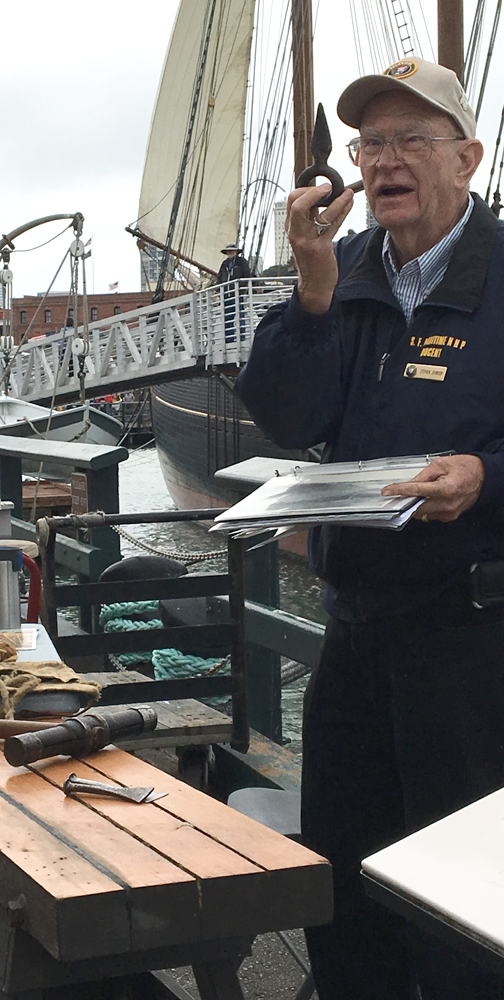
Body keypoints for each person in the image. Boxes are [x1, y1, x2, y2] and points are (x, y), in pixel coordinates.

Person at [236, 57, 504, 1000]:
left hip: (474, 640)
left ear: (466, 157)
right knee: (346, 878)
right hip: (356, 631)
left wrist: (489, 478)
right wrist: (309, 294)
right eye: (370, 144)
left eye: (410, 141)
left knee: (466, 900)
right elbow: (283, 418)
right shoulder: (341, 268)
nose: (385, 161)